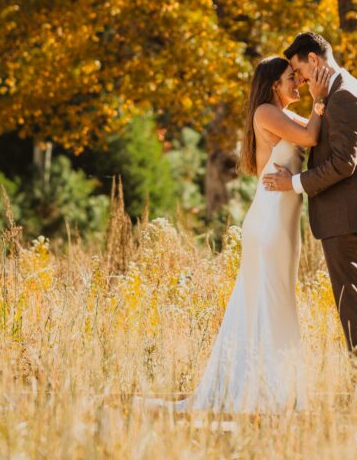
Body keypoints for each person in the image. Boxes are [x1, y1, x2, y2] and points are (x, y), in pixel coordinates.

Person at [137, 54, 330, 414]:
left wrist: (323, 101)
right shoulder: (266, 113)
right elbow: (310, 134)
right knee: (269, 301)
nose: (298, 82)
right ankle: (268, 393)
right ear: (274, 83)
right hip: (270, 223)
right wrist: (320, 98)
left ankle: (278, 389)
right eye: (292, 77)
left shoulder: (283, 114)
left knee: (277, 301)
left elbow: (319, 132)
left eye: (299, 77)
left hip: (284, 223)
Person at [263, 31, 357, 369]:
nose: (300, 79)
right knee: (355, 297)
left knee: (353, 300)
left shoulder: (344, 97)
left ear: (315, 61)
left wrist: (294, 183)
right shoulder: (340, 91)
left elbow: (342, 163)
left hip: (346, 213)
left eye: (300, 70)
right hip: (347, 212)